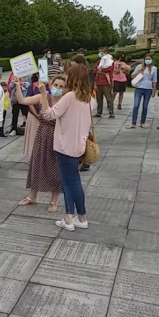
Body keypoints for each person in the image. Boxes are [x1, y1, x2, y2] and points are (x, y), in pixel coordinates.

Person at [38, 61, 92, 231]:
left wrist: (42, 94)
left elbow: (49, 114)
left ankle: (70, 217)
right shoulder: (89, 98)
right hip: (79, 145)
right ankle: (79, 216)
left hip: (65, 144)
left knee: (69, 182)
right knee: (73, 180)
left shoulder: (70, 97)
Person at [14, 75, 66, 213]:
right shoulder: (44, 97)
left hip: (57, 137)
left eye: (61, 86)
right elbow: (22, 100)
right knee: (36, 164)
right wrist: (18, 86)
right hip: (42, 134)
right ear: (51, 84)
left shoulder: (65, 101)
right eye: (56, 85)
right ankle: (32, 196)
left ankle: (54, 200)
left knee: (55, 168)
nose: (58, 89)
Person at [127, 54, 158, 129]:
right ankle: (133, 123)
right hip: (139, 88)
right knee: (136, 105)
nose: (148, 60)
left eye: (149, 59)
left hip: (148, 89)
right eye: (146, 59)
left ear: (152, 60)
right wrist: (138, 72)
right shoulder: (139, 66)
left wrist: (154, 90)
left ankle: (142, 122)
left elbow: (154, 80)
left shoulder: (154, 68)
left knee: (145, 106)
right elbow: (132, 76)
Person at [94, 47, 115, 119]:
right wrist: (99, 69)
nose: (100, 53)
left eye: (102, 52)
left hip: (106, 82)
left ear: (106, 52)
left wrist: (100, 69)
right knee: (98, 98)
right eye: (100, 52)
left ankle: (111, 113)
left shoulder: (110, 62)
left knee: (109, 98)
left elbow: (109, 69)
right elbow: (95, 69)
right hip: (98, 82)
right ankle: (99, 112)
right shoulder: (99, 61)